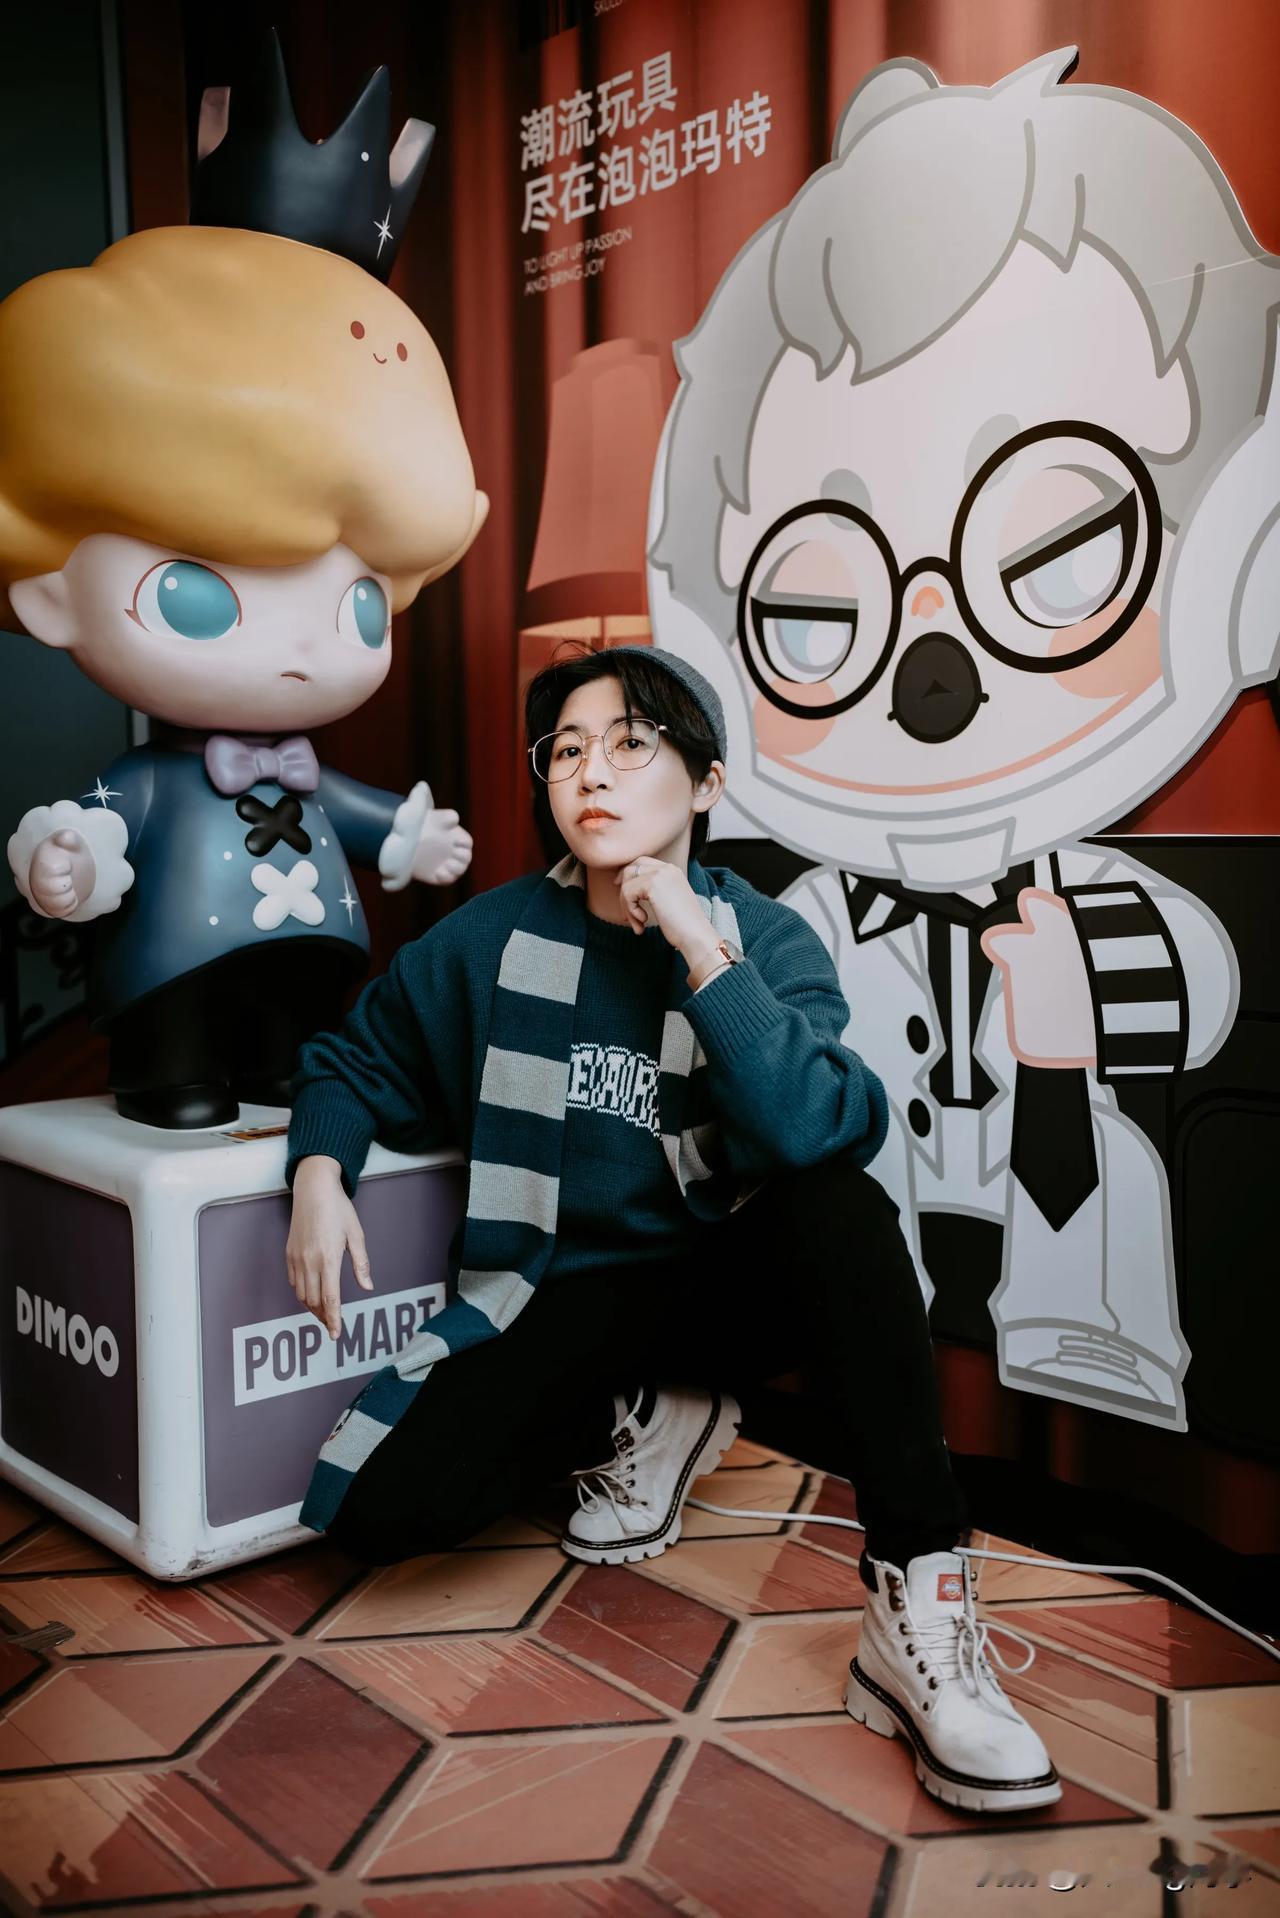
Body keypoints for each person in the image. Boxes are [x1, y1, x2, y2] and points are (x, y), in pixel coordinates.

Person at [284, 643, 1061, 1814]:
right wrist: (317, 1173)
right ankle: (647, 1416)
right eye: (565, 751)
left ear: (703, 783)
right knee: (389, 1513)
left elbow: (816, 1127)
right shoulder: (490, 940)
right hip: (558, 1287)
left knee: (838, 1205)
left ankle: (917, 1595)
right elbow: (353, 1055)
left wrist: (701, 950)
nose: (590, 773)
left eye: (629, 744)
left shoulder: (766, 939)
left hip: (715, 1280)